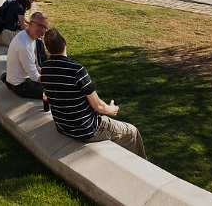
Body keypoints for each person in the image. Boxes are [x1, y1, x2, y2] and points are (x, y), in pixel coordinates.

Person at [40, 28, 146, 158]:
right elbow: (98, 107)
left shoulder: (45, 69)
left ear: (48, 49)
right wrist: (112, 109)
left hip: (63, 126)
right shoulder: (77, 70)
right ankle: (143, 166)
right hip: (86, 130)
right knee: (132, 132)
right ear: (64, 44)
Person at [0, 12, 49, 99]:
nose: (43, 30)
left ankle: (7, 80)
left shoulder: (28, 35)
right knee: (53, 92)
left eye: (45, 27)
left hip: (20, 77)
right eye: (40, 25)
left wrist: (46, 72)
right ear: (30, 23)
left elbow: (35, 65)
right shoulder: (24, 45)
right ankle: (11, 85)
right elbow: (34, 76)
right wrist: (54, 81)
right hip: (21, 85)